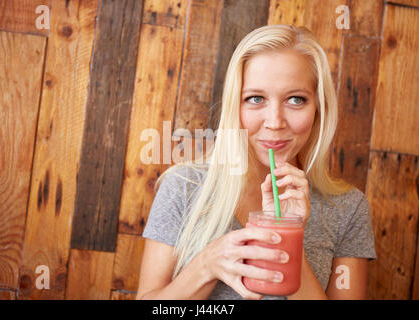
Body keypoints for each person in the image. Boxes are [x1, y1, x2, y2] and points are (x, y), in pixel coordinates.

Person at [136, 25, 376, 300]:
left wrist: (287, 235)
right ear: (234, 107)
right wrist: (206, 266)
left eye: (296, 100)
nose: (275, 122)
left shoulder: (348, 209)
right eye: (255, 99)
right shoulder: (184, 186)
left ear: (318, 108)